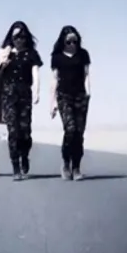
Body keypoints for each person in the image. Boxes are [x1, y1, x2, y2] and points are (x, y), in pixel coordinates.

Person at [0, 21, 42, 181]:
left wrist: (37, 91)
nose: (19, 39)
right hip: (9, 95)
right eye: (16, 36)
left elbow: (36, 73)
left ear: (26, 37)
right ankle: (15, 167)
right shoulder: (5, 54)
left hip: (25, 94)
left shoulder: (32, 54)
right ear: (11, 37)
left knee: (25, 132)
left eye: (22, 36)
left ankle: (24, 155)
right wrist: (2, 62)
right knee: (13, 131)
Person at [50, 25, 91, 181]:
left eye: (75, 41)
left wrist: (88, 93)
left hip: (80, 96)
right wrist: (52, 103)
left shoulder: (83, 54)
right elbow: (54, 80)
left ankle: (76, 167)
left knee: (79, 133)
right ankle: (66, 163)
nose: (72, 44)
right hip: (64, 96)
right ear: (63, 41)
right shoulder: (57, 57)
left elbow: (87, 75)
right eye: (69, 41)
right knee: (70, 129)